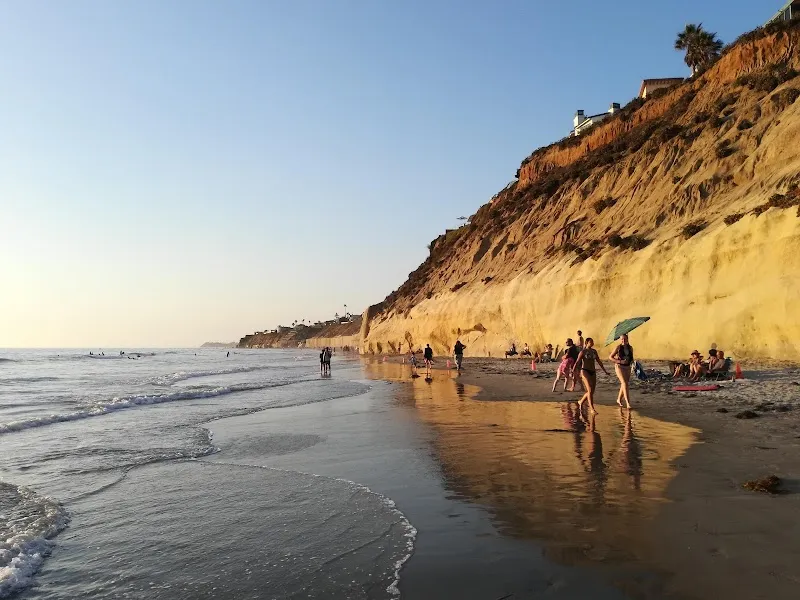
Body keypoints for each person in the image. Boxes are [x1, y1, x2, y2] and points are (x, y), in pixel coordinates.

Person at [573, 338, 609, 415]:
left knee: (591, 391)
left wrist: (605, 371)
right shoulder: (583, 352)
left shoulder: (594, 351)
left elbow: (599, 361)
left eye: (593, 342)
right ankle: (592, 409)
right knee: (589, 390)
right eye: (590, 342)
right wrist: (573, 371)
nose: (592, 343)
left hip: (593, 371)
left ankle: (580, 402)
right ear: (586, 343)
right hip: (585, 371)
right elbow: (577, 362)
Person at [610, 333, 634, 409]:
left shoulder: (630, 348)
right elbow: (610, 357)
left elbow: (631, 358)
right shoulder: (618, 347)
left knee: (624, 384)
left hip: (628, 367)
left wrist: (633, 364)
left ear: (627, 339)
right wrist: (620, 361)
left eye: (624, 339)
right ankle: (628, 403)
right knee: (624, 383)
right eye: (622, 339)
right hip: (619, 366)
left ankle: (619, 399)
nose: (623, 340)